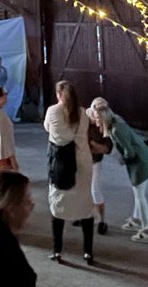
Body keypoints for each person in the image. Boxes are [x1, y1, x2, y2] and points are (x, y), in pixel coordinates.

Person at [90, 97, 148, 244]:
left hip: (140, 162)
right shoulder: (116, 122)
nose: (96, 122)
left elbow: (130, 153)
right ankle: (136, 220)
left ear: (103, 117)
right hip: (144, 158)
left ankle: (147, 231)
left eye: (97, 119)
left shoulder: (115, 130)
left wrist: (122, 159)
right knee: (138, 193)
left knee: (140, 196)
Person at [43, 80, 94, 265]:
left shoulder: (52, 111)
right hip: (82, 160)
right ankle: (88, 252)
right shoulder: (82, 112)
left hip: (62, 163)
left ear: (58, 95)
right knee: (86, 205)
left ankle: (57, 251)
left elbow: (48, 128)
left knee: (59, 204)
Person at [84, 100, 114, 235]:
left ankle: (102, 221)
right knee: (82, 189)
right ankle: (84, 216)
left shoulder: (105, 124)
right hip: (82, 160)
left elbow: (107, 148)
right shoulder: (84, 119)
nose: (97, 119)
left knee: (95, 190)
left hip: (95, 162)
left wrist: (93, 145)